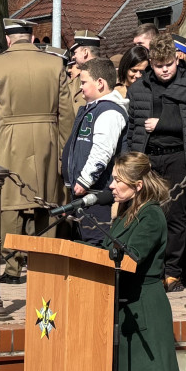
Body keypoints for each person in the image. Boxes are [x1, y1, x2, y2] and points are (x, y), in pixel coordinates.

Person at [104, 152, 186, 371]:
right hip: (127, 309)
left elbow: (129, 256)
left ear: (136, 185)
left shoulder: (151, 214)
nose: (111, 186)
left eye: (117, 181)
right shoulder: (126, 211)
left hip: (146, 309)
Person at [0, 18, 75, 284]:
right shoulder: (55, 63)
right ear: (32, 38)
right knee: (46, 200)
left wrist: (5, 124)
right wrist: (64, 150)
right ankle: (44, 266)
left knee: (12, 204)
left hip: (11, 137)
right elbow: (66, 113)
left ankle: (12, 267)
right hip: (48, 138)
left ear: (9, 39)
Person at [125, 32, 186, 292]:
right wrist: (131, 158)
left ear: (177, 59)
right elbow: (133, 128)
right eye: (159, 65)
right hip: (149, 157)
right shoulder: (140, 88)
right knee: (147, 214)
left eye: (169, 64)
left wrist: (164, 125)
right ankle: (149, 268)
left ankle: (173, 272)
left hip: (178, 155)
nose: (164, 70)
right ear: (150, 62)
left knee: (176, 216)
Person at [60, 57, 129, 245]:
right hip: (84, 192)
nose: (80, 87)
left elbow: (102, 151)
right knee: (84, 240)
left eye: (83, 82)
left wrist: (85, 179)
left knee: (96, 243)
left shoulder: (109, 112)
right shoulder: (91, 109)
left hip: (98, 192)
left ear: (100, 83)